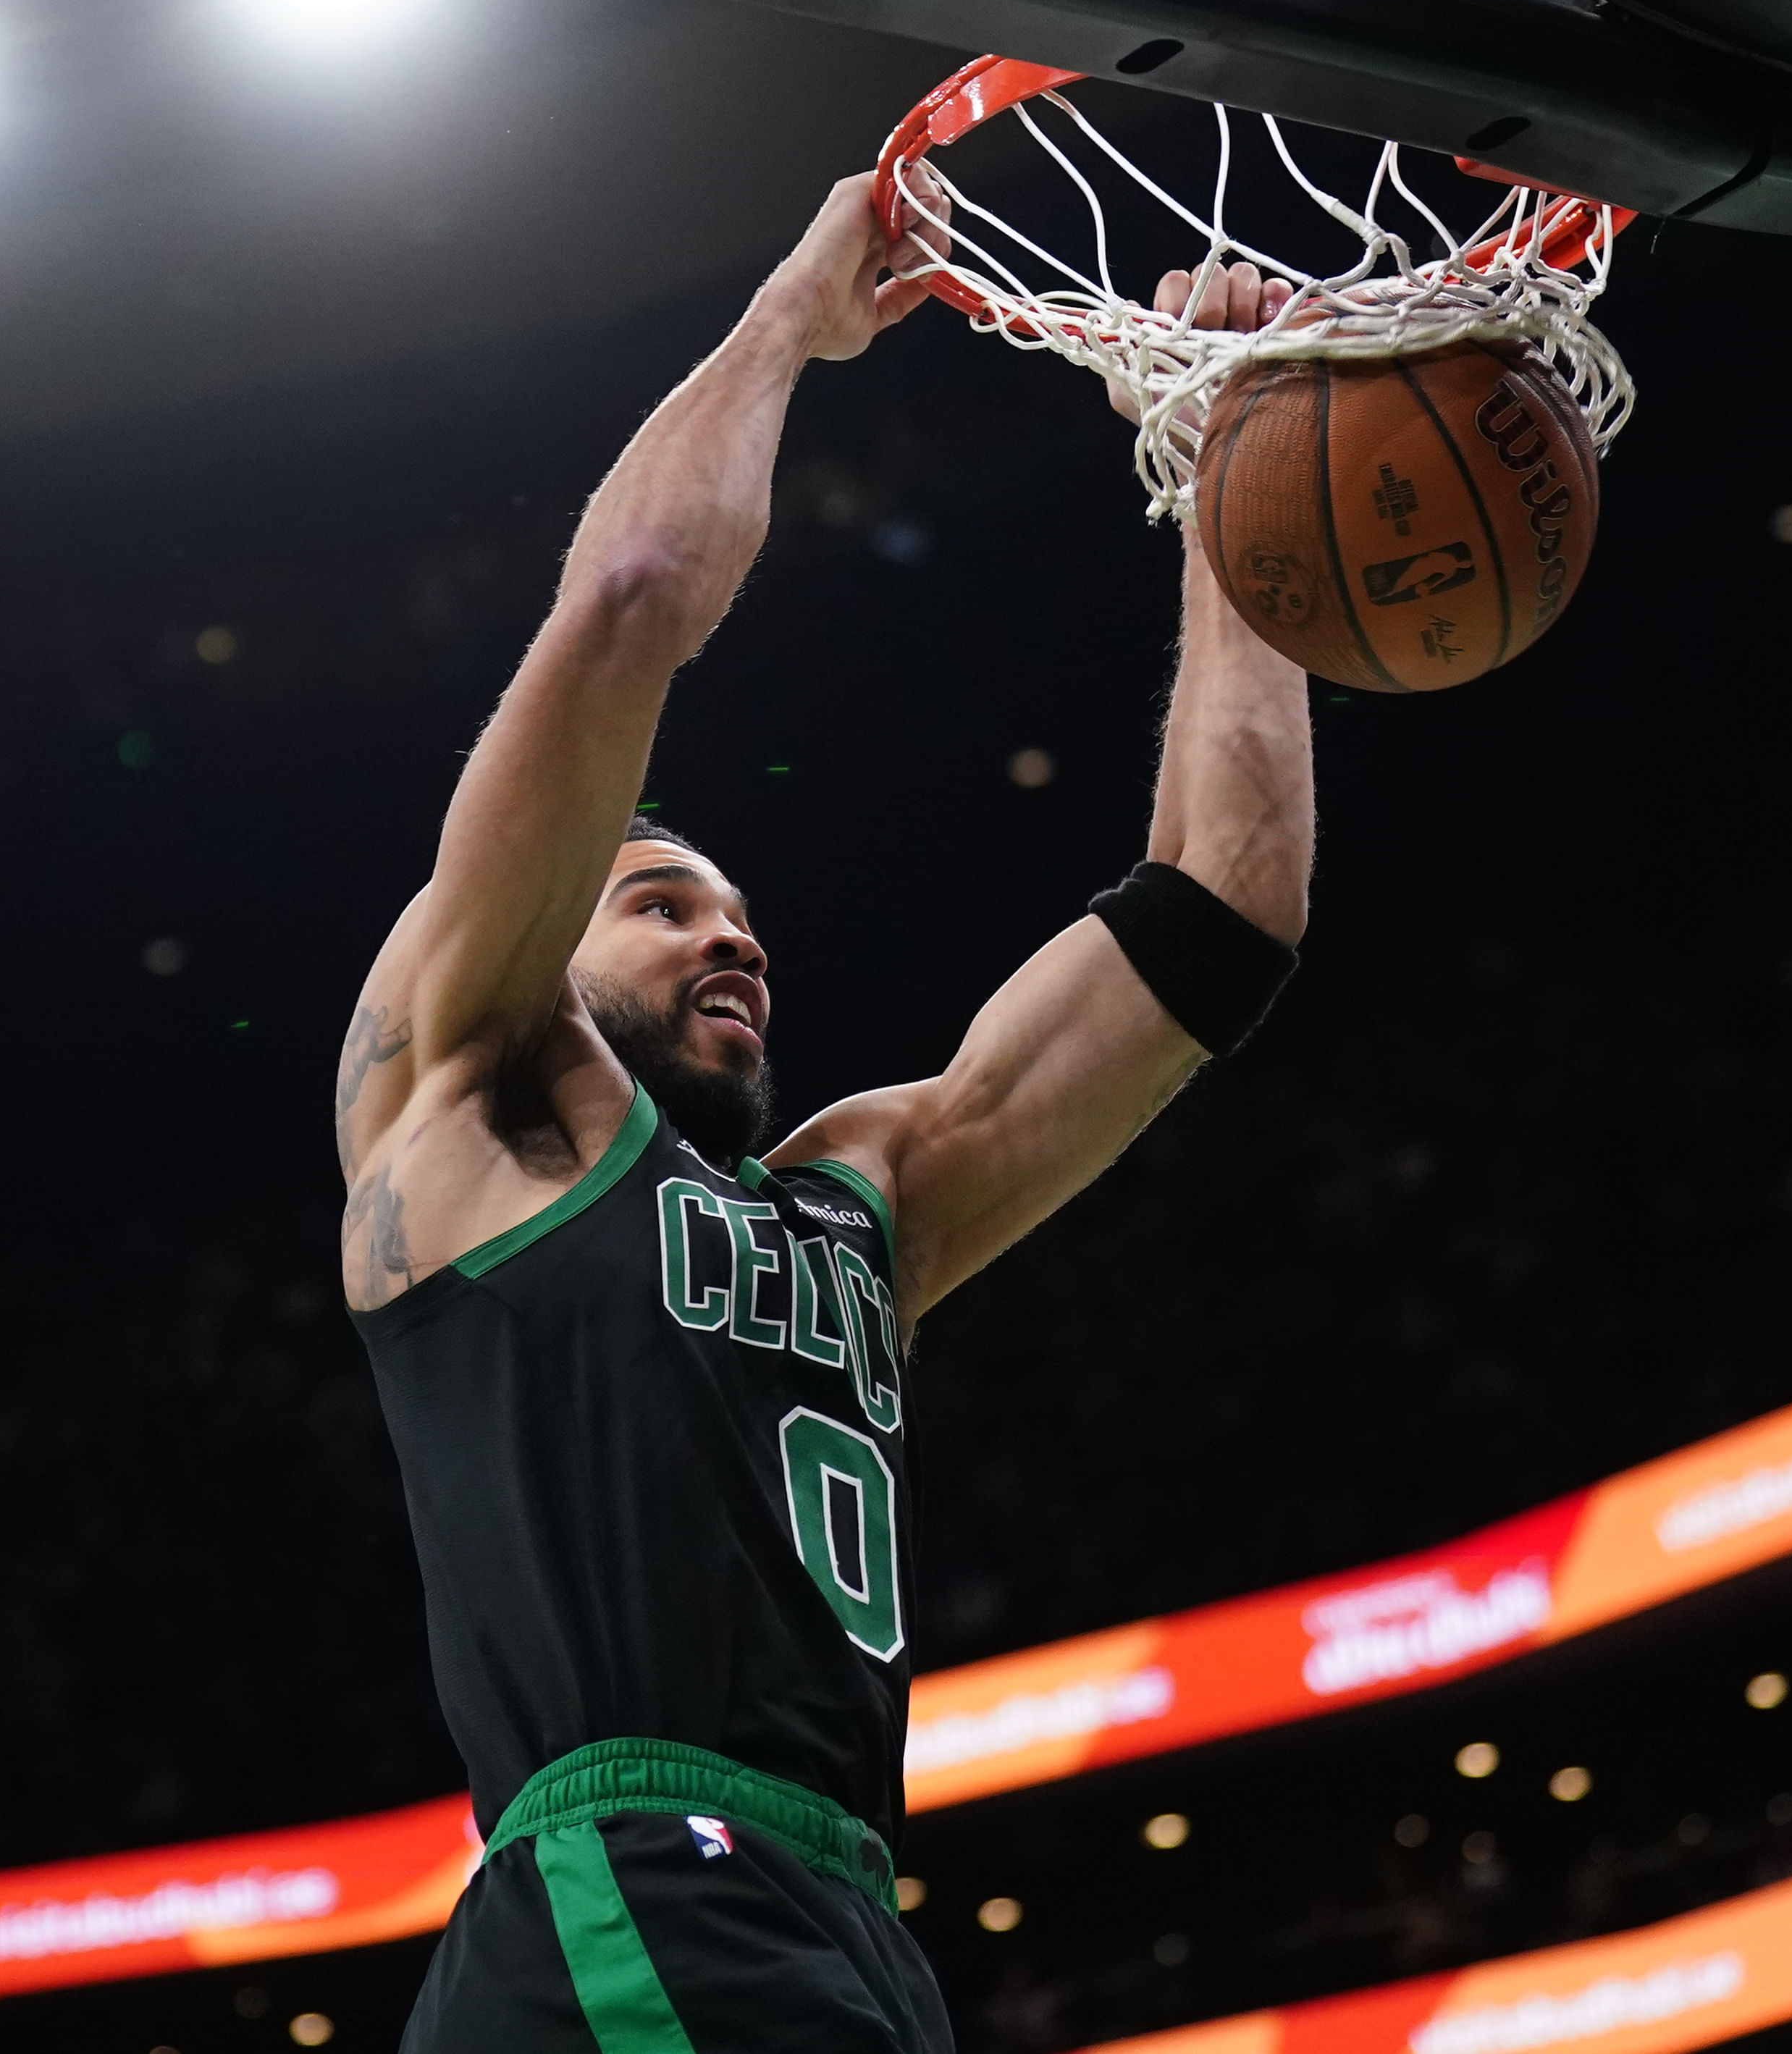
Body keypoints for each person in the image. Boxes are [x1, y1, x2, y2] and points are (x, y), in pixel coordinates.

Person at [332, 174, 1314, 2053]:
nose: (735, 934)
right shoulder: (466, 1101)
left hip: (833, 1916)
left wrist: (1231, 464)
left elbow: (1228, 902)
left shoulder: (865, 1194)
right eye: (665, 899)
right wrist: (793, 313)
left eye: (747, 913)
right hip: (634, 1888)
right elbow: (626, 601)